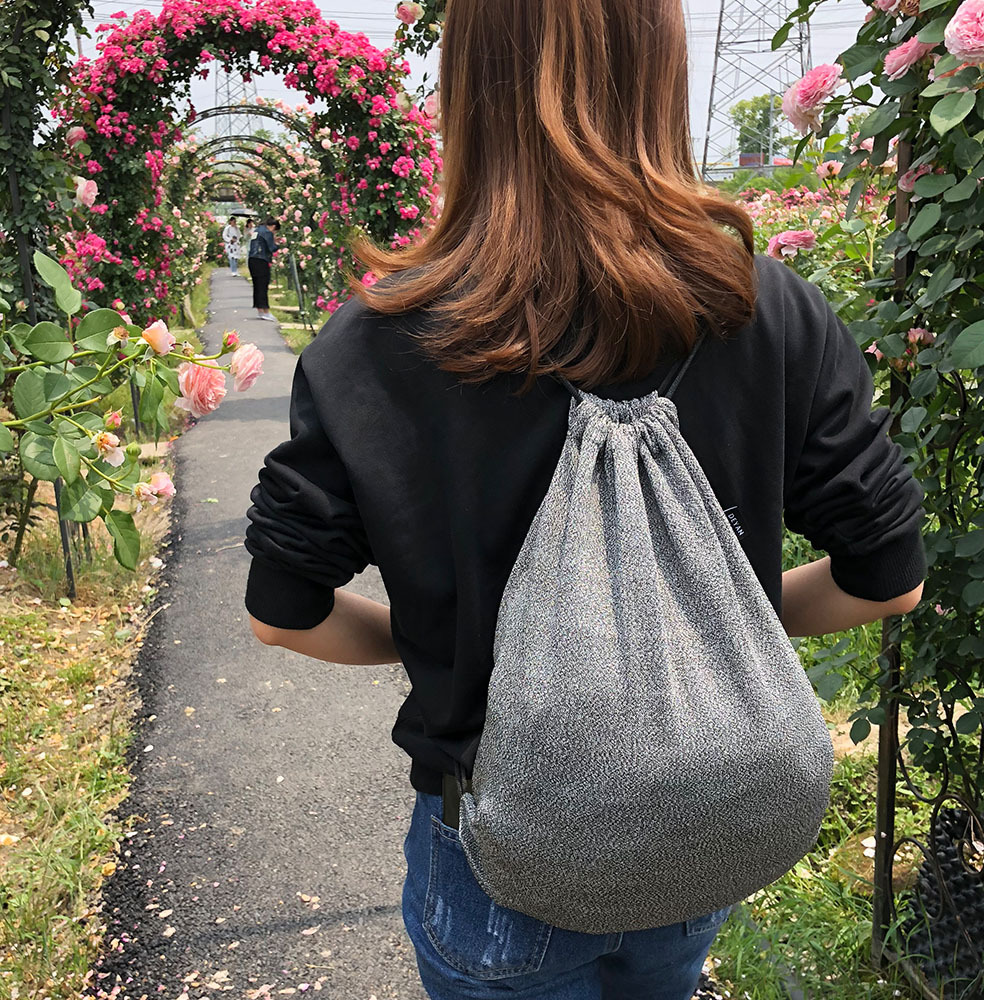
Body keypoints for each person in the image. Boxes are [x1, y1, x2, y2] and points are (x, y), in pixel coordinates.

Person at [242, 1, 926, 997]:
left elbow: (281, 612)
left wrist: (442, 639)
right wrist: (701, 628)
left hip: (498, 862)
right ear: (658, 71)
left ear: (467, 89)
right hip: (695, 845)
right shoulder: (764, 308)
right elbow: (888, 580)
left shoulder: (379, 346)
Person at [247, 216, 280, 322]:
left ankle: (260, 310)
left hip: (252, 260)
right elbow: (272, 248)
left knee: (257, 285)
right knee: (263, 286)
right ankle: (266, 312)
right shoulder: (267, 232)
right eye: (275, 231)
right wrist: (277, 244)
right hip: (261, 260)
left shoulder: (257, 230)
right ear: (273, 226)